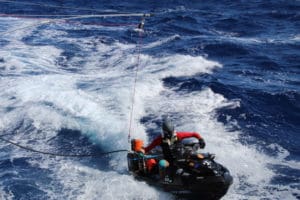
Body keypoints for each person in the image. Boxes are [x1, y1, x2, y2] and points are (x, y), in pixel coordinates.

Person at [143, 117, 205, 182]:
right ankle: (163, 182)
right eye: (168, 133)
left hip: (182, 157)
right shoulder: (159, 139)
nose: (170, 135)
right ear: (164, 132)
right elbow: (147, 149)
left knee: (196, 159)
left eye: (171, 133)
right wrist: (141, 151)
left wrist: (201, 139)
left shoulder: (179, 135)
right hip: (169, 161)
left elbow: (194, 134)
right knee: (162, 163)